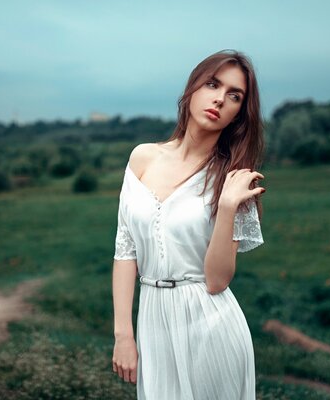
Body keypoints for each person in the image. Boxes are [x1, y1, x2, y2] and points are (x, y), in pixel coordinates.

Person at [111, 49, 266, 400]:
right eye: (213, 84)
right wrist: (124, 334)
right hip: (153, 318)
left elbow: (217, 280)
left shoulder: (234, 179)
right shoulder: (142, 157)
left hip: (210, 324)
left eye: (234, 96)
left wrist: (227, 206)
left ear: (239, 113)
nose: (219, 100)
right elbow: (125, 249)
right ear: (193, 87)